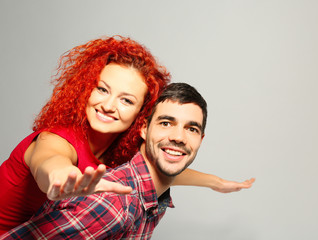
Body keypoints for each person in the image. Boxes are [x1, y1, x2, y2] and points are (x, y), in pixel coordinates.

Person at [0, 36, 254, 234]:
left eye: (126, 100)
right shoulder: (55, 138)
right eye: (102, 89)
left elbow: (163, 173)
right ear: (85, 88)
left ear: (140, 116)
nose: (109, 105)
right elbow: (50, 162)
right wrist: (60, 179)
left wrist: (216, 183)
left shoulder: (121, 148)